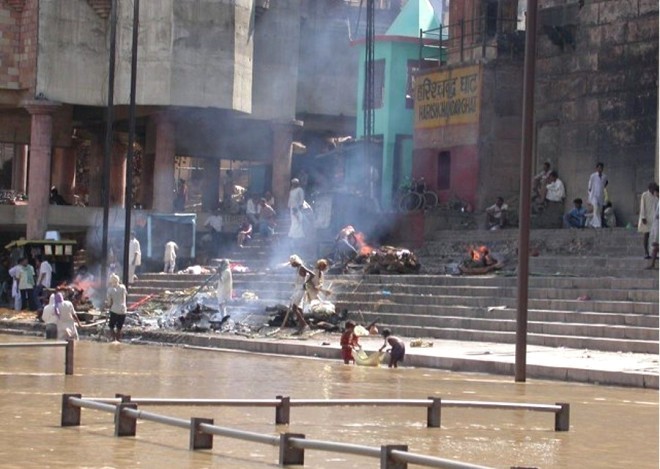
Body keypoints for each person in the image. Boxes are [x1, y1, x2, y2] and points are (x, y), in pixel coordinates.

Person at [288, 254, 313, 332]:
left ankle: (304, 325)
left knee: (294, 308)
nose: (291, 265)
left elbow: (312, 274)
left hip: (301, 289)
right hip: (298, 288)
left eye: (292, 263)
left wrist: (306, 283)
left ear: (295, 262)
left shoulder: (301, 267)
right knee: (299, 308)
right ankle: (302, 326)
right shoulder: (298, 268)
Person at [638, 182, 659, 259]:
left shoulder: (655, 197)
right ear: (650, 188)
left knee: (653, 237)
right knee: (646, 236)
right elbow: (642, 206)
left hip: (653, 220)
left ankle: (653, 253)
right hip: (646, 219)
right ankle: (646, 252)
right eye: (653, 188)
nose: (654, 190)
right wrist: (643, 217)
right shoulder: (645, 195)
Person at [106, 274, 127, 342]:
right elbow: (124, 296)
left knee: (111, 326)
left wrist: (107, 305)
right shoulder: (123, 287)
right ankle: (118, 340)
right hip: (123, 310)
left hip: (114, 309)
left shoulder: (110, 290)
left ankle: (113, 339)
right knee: (119, 327)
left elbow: (109, 303)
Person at [587, 162, 608, 228]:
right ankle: (597, 224)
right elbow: (589, 187)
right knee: (595, 208)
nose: (600, 169)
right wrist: (590, 197)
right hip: (594, 195)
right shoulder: (593, 176)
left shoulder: (604, 176)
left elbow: (605, 184)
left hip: (601, 195)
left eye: (601, 168)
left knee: (599, 210)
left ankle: (592, 223)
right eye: (599, 168)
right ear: (596, 168)